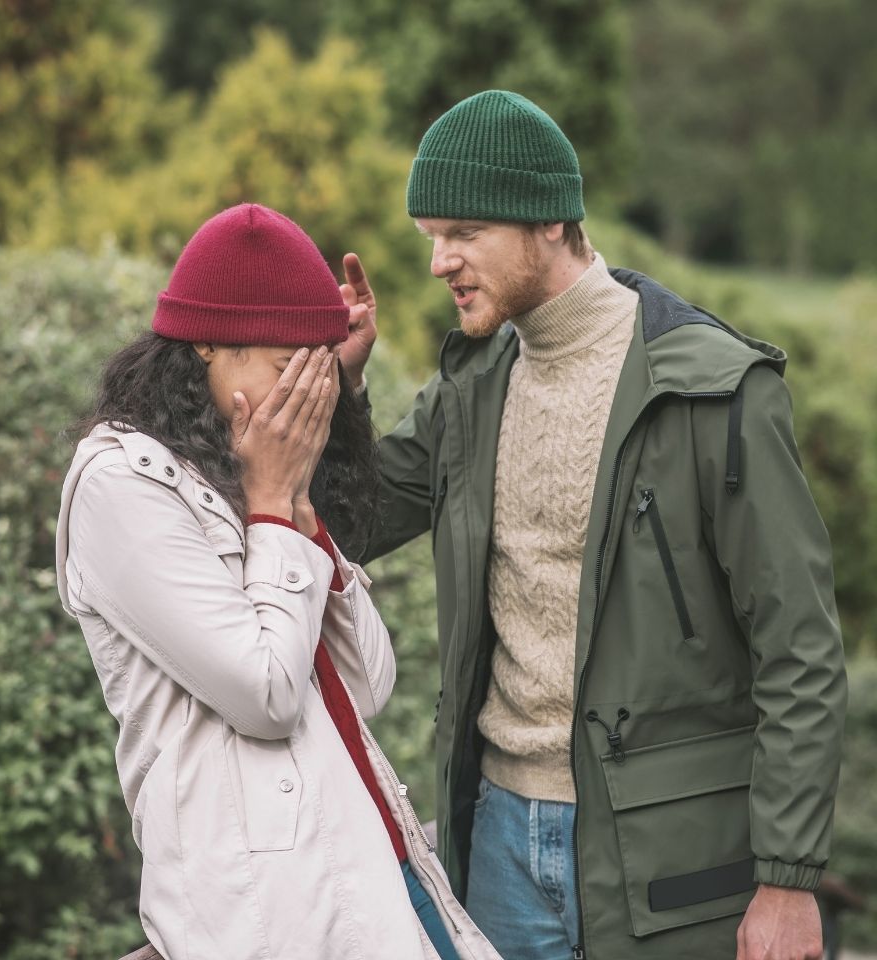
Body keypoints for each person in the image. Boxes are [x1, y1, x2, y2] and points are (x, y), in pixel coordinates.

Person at [338, 91, 847, 960]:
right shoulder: (470, 388)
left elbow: (800, 649)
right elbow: (353, 519)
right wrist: (345, 393)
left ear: (547, 222)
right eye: (430, 235)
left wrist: (789, 877)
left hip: (670, 854)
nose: (438, 261)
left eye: (462, 231)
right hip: (494, 840)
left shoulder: (716, 391)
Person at [54, 204, 502, 960]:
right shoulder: (120, 485)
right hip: (263, 917)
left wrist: (296, 507)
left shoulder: (244, 466)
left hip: (373, 871)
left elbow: (368, 681)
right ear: (205, 344)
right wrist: (272, 503)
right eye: (286, 368)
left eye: (318, 371)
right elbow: (264, 694)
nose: (307, 397)